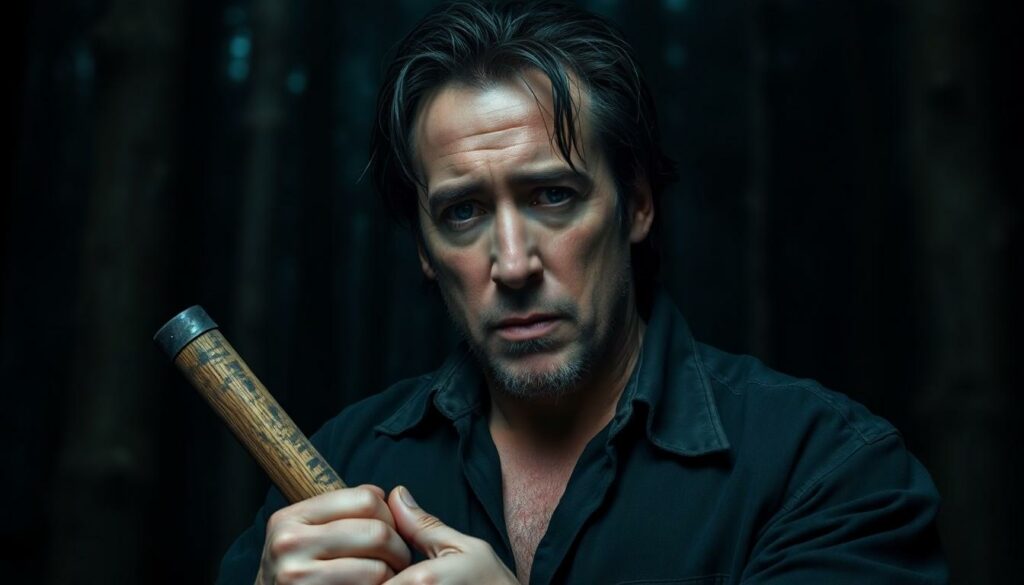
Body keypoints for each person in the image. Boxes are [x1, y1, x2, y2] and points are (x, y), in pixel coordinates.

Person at [217, 1, 948, 583]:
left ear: (637, 205)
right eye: (463, 212)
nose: (512, 264)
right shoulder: (342, 462)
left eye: (552, 196)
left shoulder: (824, 468)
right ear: (425, 251)